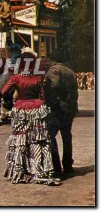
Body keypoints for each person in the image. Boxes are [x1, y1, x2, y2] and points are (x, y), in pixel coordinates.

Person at [1, 52, 61, 186]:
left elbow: (4, 91)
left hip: (21, 109)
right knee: (38, 140)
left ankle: (21, 171)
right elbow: (44, 94)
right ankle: (40, 169)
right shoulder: (39, 78)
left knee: (21, 141)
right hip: (37, 110)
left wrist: (11, 101)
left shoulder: (16, 78)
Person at [43, 49, 78, 177]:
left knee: (50, 136)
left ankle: (56, 166)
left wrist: (49, 105)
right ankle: (68, 164)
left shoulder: (53, 71)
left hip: (57, 109)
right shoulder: (71, 72)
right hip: (70, 109)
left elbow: (53, 88)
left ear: (52, 59)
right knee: (67, 136)